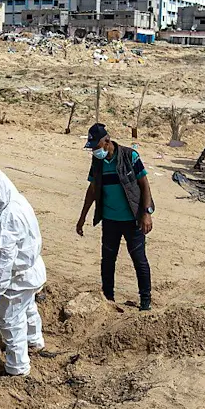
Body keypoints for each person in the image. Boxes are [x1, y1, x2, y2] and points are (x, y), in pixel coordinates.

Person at [0, 169, 47, 376]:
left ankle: (17, 367)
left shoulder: (7, 218)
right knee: (28, 308)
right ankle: (34, 341)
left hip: (17, 278)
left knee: (11, 321)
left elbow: (5, 259)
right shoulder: (17, 200)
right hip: (32, 270)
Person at [77, 123, 154, 310]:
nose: (95, 151)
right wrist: (82, 217)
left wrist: (146, 213)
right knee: (108, 259)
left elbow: (144, 185)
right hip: (110, 219)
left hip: (132, 219)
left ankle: (145, 301)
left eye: (96, 146)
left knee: (138, 258)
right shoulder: (97, 162)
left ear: (107, 142)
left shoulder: (130, 156)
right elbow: (93, 189)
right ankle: (108, 297)